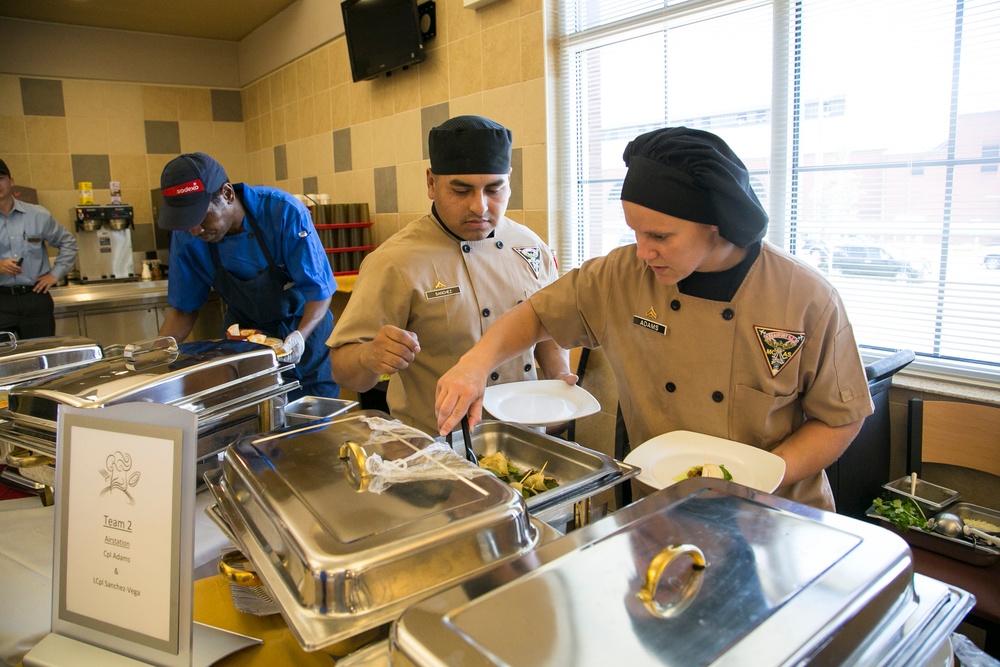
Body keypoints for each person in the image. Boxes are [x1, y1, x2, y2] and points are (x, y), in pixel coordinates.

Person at [436, 126, 874, 511]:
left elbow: (840, 417)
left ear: (716, 226)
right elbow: (535, 315)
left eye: (660, 236)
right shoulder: (621, 275)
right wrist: (475, 364)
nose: (644, 251)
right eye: (636, 233)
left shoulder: (805, 297)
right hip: (664, 509)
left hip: (778, 514)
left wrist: (762, 478)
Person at [327, 115, 572, 437]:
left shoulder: (529, 246)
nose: (480, 207)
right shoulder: (394, 261)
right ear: (431, 182)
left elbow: (547, 323)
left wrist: (559, 377)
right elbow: (344, 371)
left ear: (509, 181)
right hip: (437, 445)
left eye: (494, 189)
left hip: (523, 435)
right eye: (461, 191)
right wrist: (369, 356)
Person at [156, 152, 338, 400]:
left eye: (200, 217)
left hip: (305, 333)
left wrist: (299, 337)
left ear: (227, 194)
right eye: (186, 222)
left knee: (313, 425)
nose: (194, 229)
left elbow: (319, 293)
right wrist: (154, 359)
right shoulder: (189, 236)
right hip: (242, 342)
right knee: (249, 425)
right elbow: (183, 310)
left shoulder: (283, 212)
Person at [0, 158, 78, 339]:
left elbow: (69, 243)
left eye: (0, 178)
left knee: (43, 357)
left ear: (11, 181)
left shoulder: (38, 215)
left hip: (35, 298)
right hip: (1, 300)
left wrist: (54, 274)